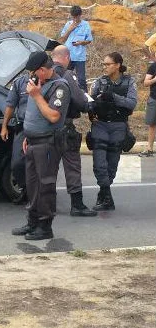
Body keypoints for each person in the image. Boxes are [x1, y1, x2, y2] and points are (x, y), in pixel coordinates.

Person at [12, 51, 69, 240]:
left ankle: (45, 226)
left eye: (34, 72)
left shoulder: (59, 87)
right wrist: (28, 135)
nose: (31, 76)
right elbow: (34, 114)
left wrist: (36, 96)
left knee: (45, 185)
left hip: (48, 143)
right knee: (32, 184)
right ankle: (33, 222)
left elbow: (53, 116)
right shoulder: (37, 85)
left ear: (44, 70)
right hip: (33, 140)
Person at [50, 45, 97, 217]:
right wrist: (88, 104)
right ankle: (77, 205)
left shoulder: (42, 74)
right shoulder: (66, 74)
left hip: (45, 129)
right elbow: (79, 100)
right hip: (65, 127)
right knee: (72, 166)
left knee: (48, 168)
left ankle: (48, 205)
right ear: (67, 58)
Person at [87, 52, 137, 210]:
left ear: (117, 65)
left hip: (118, 125)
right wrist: (91, 111)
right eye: (104, 64)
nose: (105, 67)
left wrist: (113, 96)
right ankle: (106, 195)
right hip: (100, 125)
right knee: (99, 163)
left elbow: (131, 103)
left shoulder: (129, 82)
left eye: (108, 64)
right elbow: (90, 102)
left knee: (112, 165)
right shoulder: (99, 82)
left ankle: (104, 195)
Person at [1, 73, 29, 204]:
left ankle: (38, 195)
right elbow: (10, 105)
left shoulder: (48, 81)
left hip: (41, 128)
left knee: (39, 164)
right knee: (17, 163)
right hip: (23, 127)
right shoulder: (20, 82)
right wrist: (4, 126)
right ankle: (26, 189)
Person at [59, 5, 93, 91]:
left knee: (81, 79)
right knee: (65, 76)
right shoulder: (68, 24)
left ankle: (85, 98)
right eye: (73, 17)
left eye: (76, 17)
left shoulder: (85, 25)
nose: (74, 19)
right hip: (68, 55)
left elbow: (89, 40)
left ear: (80, 15)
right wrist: (69, 30)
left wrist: (81, 42)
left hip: (79, 57)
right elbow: (62, 39)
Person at [140, 33, 156, 157]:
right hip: (154, 99)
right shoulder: (153, 67)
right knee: (152, 124)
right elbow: (145, 83)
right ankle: (149, 148)